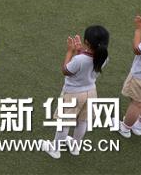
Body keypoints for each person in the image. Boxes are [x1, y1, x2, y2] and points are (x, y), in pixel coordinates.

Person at [44, 26, 110, 158]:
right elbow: (88, 60)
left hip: (73, 94)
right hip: (91, 93)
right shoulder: (104, 57)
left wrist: (70, 51)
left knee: (65, 122)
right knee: (82, 121)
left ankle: (55, 149)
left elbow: (66, 70)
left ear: (87, 42)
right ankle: (75, 147)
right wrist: (80, 50)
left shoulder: (79, 59)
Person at [118, 8, 141, 138]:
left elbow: (137, 50)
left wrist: (138, 30)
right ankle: (139, 126)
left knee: (137, 103)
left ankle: (125, 128)